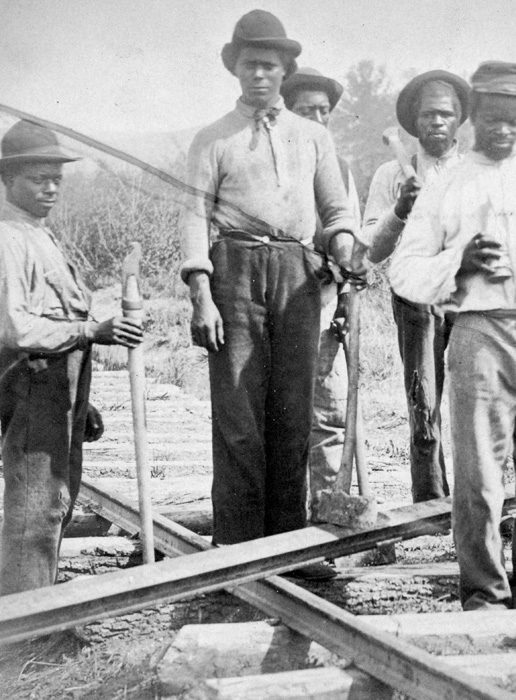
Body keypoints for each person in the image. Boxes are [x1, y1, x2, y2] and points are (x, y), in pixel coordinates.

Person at [389, 61, 516, 610]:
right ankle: (482, 591)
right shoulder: (448, 184)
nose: (504, 130)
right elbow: (404, 270)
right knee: (480, 472)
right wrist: (458, 262)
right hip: (482, 330)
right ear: (474, 116)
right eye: (493, 119)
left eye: (514, 120)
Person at [178, 10, 365, 580]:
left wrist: (346, 246)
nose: (260, 75)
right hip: (233, 272)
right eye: (250, 65)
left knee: (292, 412)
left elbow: (335, 210)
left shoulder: (313, 136)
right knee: (238, 414)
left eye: (270, 66)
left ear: (286, 71)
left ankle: (289, 548)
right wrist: (201, 294)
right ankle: (238, 552)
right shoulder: (212, 139)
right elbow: (193, 218)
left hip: (298, 273)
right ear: (235, 68)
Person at [0, 120, 144, 595]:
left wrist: (78, 398)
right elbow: (16, 327)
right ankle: (20, 629)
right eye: (37, 178)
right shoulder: (6, 238)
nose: (50, 187)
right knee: (35, 510)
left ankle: (35, 613)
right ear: (8, 180)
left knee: (54, 504)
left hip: (55, 388)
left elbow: (53, 320)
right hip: (31, 384)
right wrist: (92, 330)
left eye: (57, 178)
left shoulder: (39, 235)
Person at [361, 69, 470, 503]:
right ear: (414, 121)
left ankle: (476, 503)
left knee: (477, 406)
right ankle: (429, 504)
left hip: (469, 300)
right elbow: (371, 247)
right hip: (414, 301)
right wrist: (401, 209)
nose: (437, 122)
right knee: (424, 403)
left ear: (460, 119)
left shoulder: (477, 173)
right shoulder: (392, 175)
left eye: (446, 114)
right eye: (428, 115)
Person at [280, 66, 362, 500]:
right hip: (276, 305)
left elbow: (352, 240)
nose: (316, 118)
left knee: (329, 412)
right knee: (285, 416)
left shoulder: (340, 169)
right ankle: (286, 521)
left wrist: (347, 296)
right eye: (305, 110)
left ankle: (327, 514)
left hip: (326, 302)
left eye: (324, 110)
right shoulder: (273, 167)